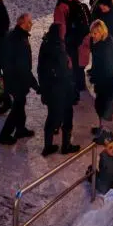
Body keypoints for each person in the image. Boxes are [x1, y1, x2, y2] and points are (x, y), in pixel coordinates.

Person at [39, 20, 78, 156]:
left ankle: (48, 146)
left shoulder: (46, 44)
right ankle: (66, 146)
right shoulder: (57, 48)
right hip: (61, 90)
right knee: (67, 116)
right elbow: (63, 71)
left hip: (51, 90)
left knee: (52, 118)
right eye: (63, 30)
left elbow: (41, 70)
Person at [0, 12, 37, 144]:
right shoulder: (21, 42)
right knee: (17, 107)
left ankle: (20, 129)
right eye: (29, 22)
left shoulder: (11, 35)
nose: (31, 24)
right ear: (22, 24)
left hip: (10, 78)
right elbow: (24, 68)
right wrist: (35, 85)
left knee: (20, 104)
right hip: (17, 81)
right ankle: (4, 135)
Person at [88, 20, 113, 120]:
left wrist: (96, 75)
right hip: (106, 75)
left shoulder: (105, 45)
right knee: (106, 95)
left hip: (106, 75)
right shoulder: (100, 43)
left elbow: (106, 63)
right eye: (92, 33)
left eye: (95, 33)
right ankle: (108, 110)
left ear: (101, 32)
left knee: (103, 96)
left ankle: (106, 114)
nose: (93, 35)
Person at [91, 129, 113, 195]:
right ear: (105, 149)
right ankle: (91, 175)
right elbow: (104, 172)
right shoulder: (104, 158)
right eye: (110, 147)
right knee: (103, 188)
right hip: (106, 181)